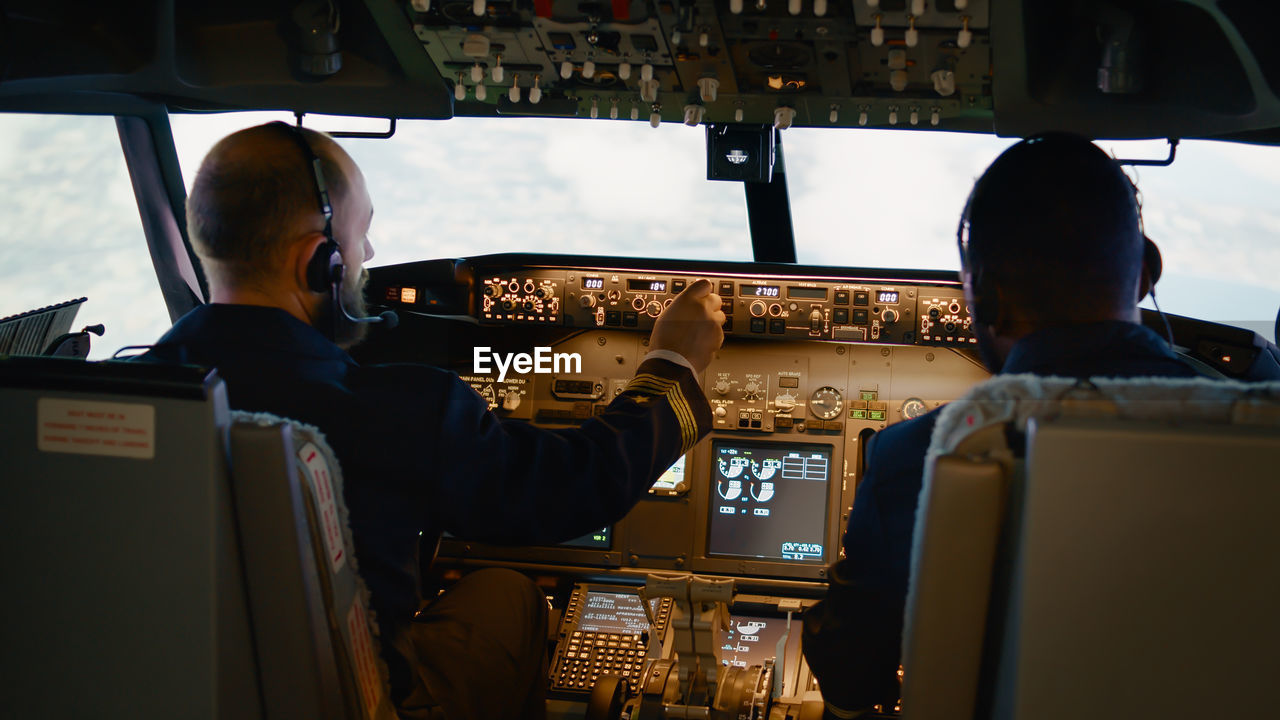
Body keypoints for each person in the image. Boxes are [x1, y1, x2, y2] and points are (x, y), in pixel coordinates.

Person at [142, 122, 726, 719]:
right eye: (361, 234)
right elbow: (571, 485)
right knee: (512, 596)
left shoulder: (131, 397)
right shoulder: (391, 410)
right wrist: (671, 365)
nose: (368, 256)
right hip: (358, 701)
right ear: (318, 261)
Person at [801, 132, 1201, 717]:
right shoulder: (1256, 435)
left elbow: (852, 681)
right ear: (1147, 272)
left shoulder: (924, 458)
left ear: (983, 294)